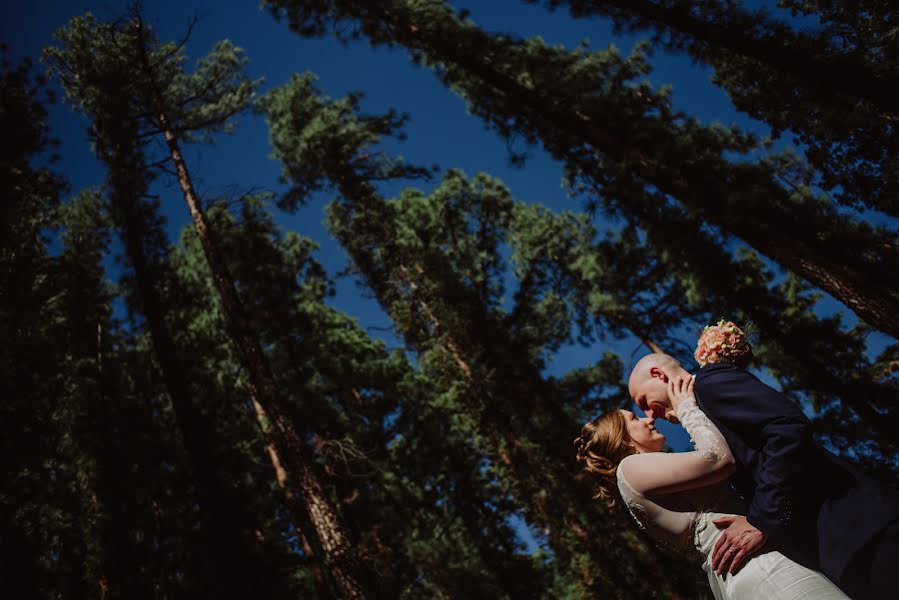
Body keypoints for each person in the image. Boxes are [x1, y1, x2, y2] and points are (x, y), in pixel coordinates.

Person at [628, 349, 899, 600]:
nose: (650, 415)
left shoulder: (709, 384)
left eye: (644, 402)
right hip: (836, 552)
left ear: (659, 375)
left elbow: (787, 429)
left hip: (859, 530)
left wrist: (762, 518)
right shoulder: (704, 413)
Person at [576, 376, 848, 599]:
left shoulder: (647, 477)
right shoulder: (630, 468)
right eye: (633, 420)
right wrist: (686, 408)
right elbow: (719, 460)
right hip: (759, 565)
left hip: (744, 566)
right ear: (623, 441)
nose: (647, 420)